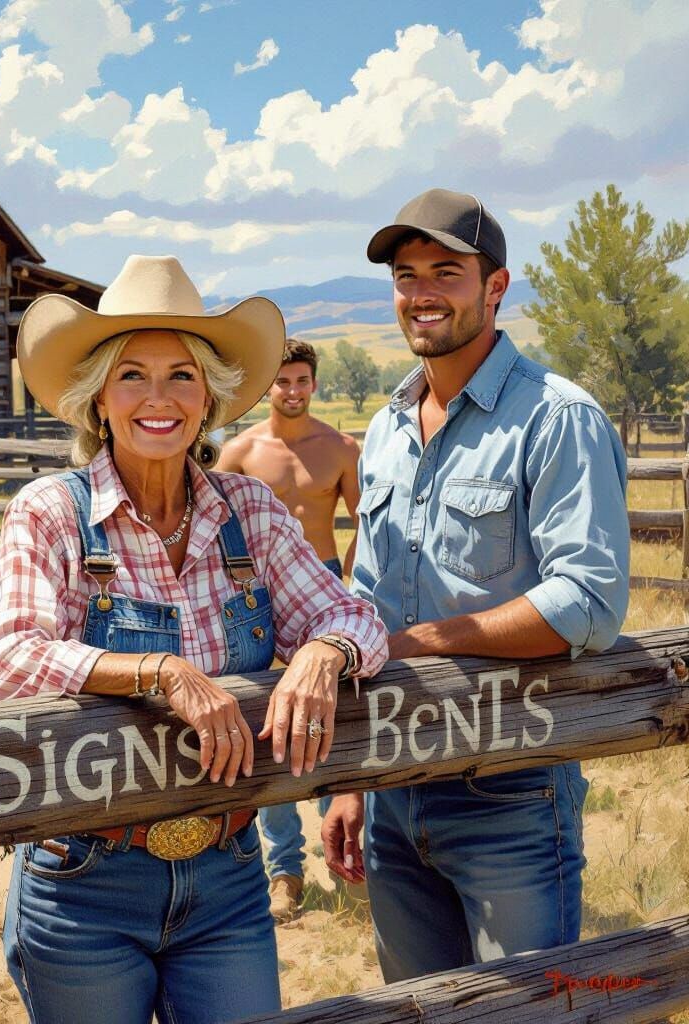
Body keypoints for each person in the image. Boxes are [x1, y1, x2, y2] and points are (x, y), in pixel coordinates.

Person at [0, 254, 388, 1024]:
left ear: (210, 399)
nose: (157, 399)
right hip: (85, 875)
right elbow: (8, 657)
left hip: (229, 871)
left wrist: (321, 656)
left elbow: (356, 617)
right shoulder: (51, 512)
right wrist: (158, 671)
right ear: (98, 396)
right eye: (132, 375)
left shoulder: (251, 511)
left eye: (182, 377)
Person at [322, 188, 629, 981]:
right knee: (418, 1006)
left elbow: (588, 602)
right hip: (393, 779)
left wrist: (425, 643)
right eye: (405, 274)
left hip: (511, 786)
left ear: (496, 288)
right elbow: (365, 597)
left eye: (445, 272)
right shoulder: (388, 428)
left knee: (527, 1008)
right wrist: (347, 780)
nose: (420, 292)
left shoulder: (556, 419)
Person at [217, 337, 363, 920]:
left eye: (302, 380)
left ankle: (345, 851)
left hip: (323, 589)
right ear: (268, 386)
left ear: (314, 383)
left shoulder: (343, 448)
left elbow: (368, 529)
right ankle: (284, 871)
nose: (293, 390)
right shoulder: (240, 451)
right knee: (266, 724)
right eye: (282, 381)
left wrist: (344, 589)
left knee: (326, 717)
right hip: (256, 598)